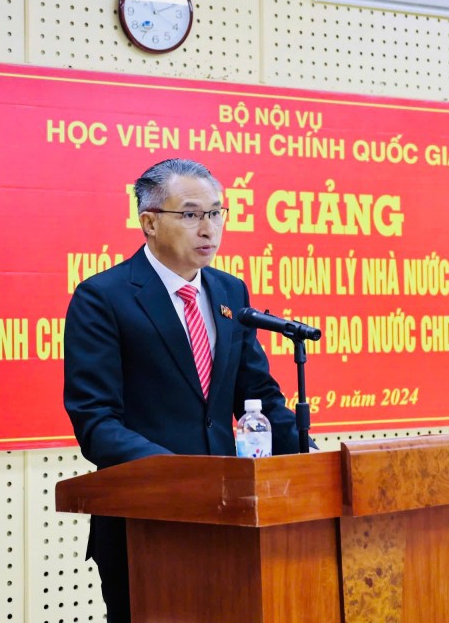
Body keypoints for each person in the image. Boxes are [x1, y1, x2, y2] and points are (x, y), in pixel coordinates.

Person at [63, 157, 304, 623]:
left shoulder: (230, 293)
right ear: (149, 222)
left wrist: (311, 453)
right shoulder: (103, 297)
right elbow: (97, 423)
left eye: (217, 213)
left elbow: (258, 396)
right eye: (191, 214)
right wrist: (180, 476)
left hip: (230, 518)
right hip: (146, 524)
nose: (208, 228)